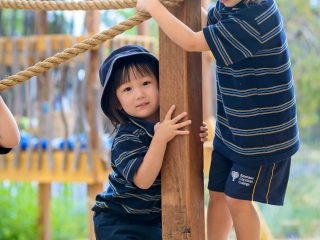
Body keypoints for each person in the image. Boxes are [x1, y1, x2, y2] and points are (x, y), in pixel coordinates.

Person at [136, 0, 300, 239]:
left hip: (264, 135)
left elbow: (192, 41)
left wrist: (154, 7)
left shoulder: (257, 16)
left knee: (237, 199)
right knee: (218, 193)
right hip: (234, 126)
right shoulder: (228, 7)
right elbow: (209, 22)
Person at [92, 45, 208, 240]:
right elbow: (143, 180)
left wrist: (195, 137)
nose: (139, 94)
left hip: (153, 219)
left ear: (160, 84)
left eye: (145, 83)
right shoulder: (126, 138)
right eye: (127, 89)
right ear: (117, 101)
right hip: (119, 219)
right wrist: (160, 139)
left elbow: (178, 153)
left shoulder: (166, 121)